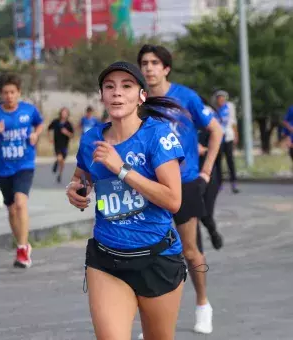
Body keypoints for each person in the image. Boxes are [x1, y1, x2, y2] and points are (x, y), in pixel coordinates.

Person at [66, 61, 187, 340]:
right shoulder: (91, 140)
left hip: (157, 258)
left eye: (127, 86)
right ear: (102, 96)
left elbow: (173, 200)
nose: (117, 93)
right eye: (110, 87)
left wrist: (121, 169)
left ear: (141, 95)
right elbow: (81, 178)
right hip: (108, 260)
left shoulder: (157, 136)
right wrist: (77, 190)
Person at [138, 44, 223, 335]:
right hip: (149, 186)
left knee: (190, 250)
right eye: (144, 63)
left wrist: (206, 172)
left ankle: (202, 304)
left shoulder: (185, 97)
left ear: (166, 68)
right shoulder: (138, 100)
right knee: (149, 254)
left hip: (184, 183)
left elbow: (217, 131)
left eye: (154, 63)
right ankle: (153, 322)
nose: (149, 68)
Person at [0, 73, 44, 268]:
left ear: (19, 93)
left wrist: (35, 134)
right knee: (11, 209)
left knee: (20, 203)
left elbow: (39, 123)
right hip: (3, 168)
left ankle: (22, 249)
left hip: (24, 165)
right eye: (5, 93)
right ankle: (22, 244)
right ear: (0, 94)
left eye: (12, 92)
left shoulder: (28, 110)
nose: (9, 96)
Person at [212, 90, 240, 193]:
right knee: (218, 161)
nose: (221, 100)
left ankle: (234, 182)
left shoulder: (229, 107)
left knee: (230, 160)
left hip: (228, 136)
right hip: (217, 138)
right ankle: (219, 183)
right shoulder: (213, 109)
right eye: (219, 98)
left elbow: (233, 121)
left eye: (223, 98)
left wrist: (236, 135)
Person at [48, 107, 74, 183]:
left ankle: (60, 174)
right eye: (63, 112)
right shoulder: (56, 122)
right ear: (60, 113)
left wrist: (66, 132)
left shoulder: (68, 124)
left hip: (65, 145)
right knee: (60, 158)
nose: (64, 114)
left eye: (65, 113)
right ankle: (57, 161)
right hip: (57, 145)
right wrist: (50, 138)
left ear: (67, 114)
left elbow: (72, 135)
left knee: (62, 161)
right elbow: (49, 129)